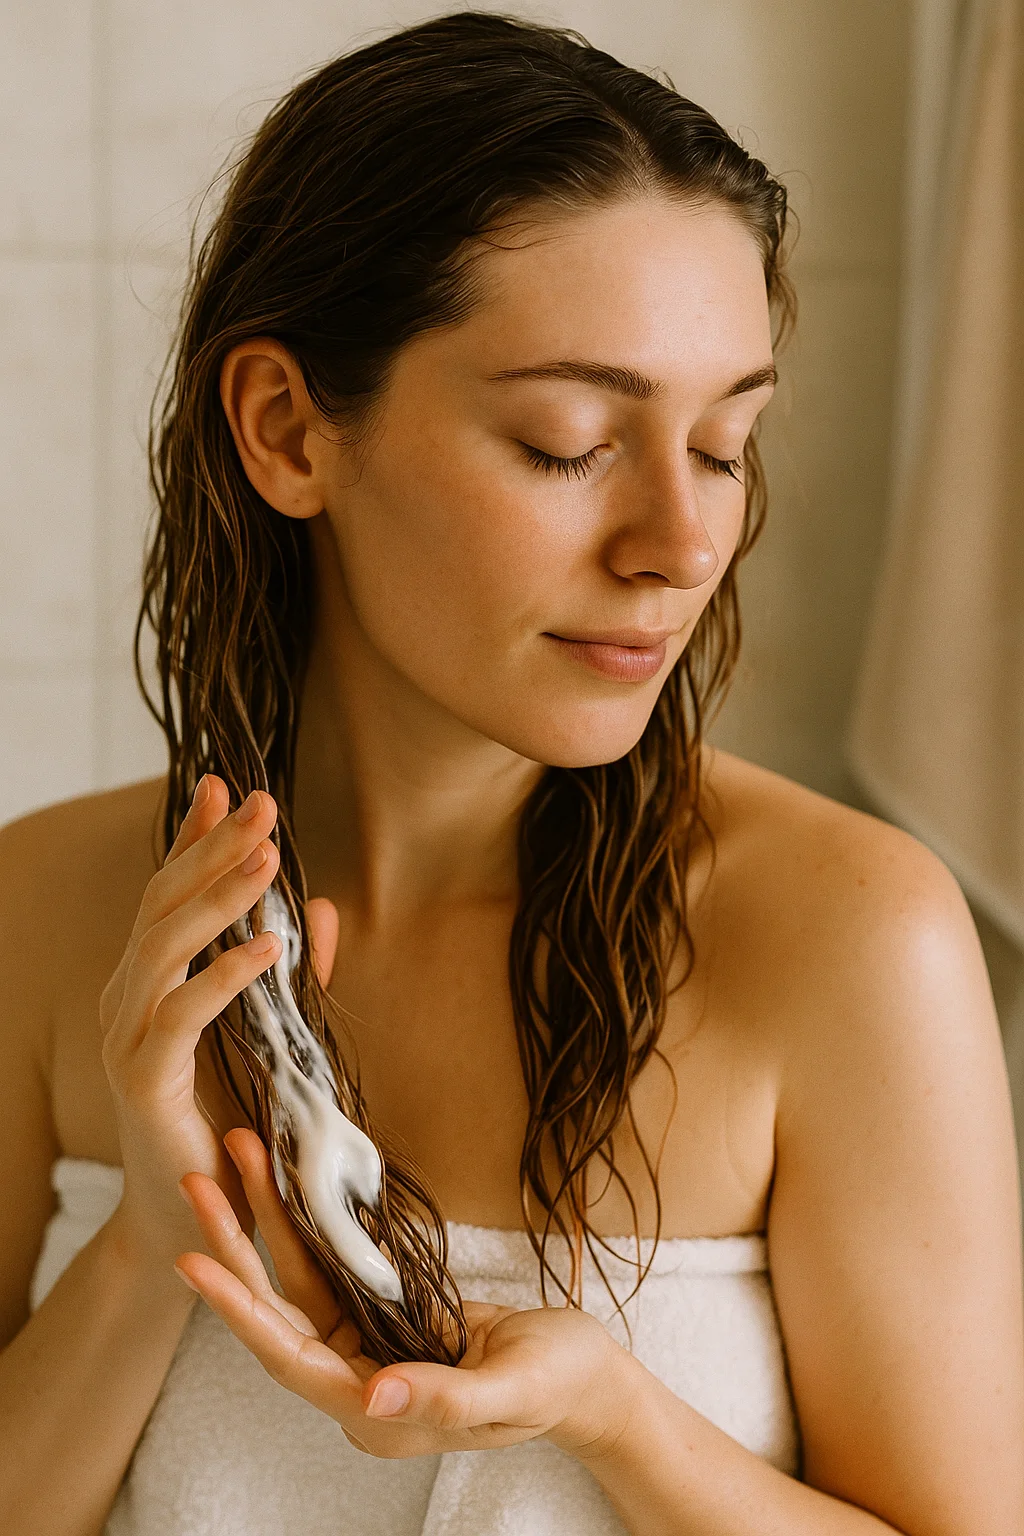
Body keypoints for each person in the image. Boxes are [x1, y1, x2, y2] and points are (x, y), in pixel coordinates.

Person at [1, 11, 1021, 1536]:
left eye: (725, 446)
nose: (681, 545)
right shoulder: (46, 916)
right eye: (567, 442)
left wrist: (617, 1418)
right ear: (287, 430)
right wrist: (162, 1239)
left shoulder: (850, 940)